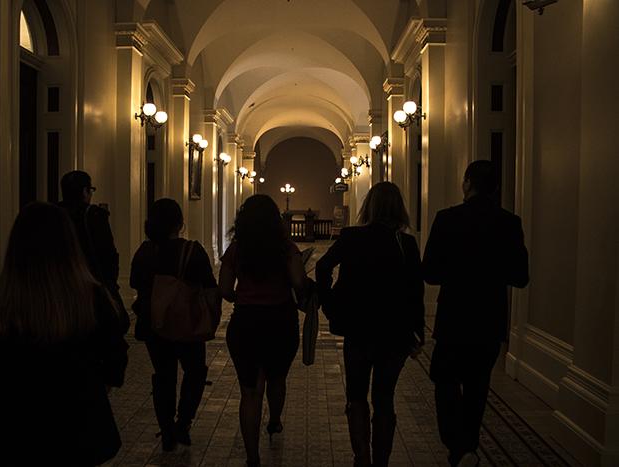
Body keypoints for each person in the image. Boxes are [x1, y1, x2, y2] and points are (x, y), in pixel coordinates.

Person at [0, 202, 129, 466]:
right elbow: (115, 360)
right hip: (79, 425)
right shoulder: (92, 296)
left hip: (14, 427)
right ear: (70, 244)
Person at [422, 160, 529, 467]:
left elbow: (430, 273)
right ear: (496, 187)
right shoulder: (510, 223)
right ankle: (467, 445)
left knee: (444, 379)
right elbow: (520, 276)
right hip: (490, 318)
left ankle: (459, 448)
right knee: (477, 385)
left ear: (467, 183)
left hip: (454, 317)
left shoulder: (447, 219)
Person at [316, 182, 425, 467]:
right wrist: (419, 331)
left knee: (356, 395)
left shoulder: (351, 237)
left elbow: (323, 266)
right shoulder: (407, 244)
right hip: (396, 332)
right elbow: (416, 291)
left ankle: (361, 456)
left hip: (358, 329)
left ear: (370, 206)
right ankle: (381, 462)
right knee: (384, 398)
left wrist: (328, 303)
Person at [219, 194, 307, 467]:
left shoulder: (236, 249)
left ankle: (252, 456)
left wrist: (240, 297)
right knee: (277, 378)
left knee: (250, 391)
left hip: (245, 323)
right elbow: (299, 285)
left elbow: (224, 289)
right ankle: (275, 421)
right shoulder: (287, 248)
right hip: (280, 322)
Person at [130, 198, 217, 451]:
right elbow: (209, 286)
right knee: (195, 372)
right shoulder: (192, 250)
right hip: (188, 323)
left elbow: (135, 282)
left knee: (163, 375)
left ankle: (167, 428)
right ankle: (184, 421)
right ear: (179, 223)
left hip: (154, 324)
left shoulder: (145, 252)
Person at [58, 171, 127, 328]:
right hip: (92, 282)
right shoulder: (94, 215)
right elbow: (108, 253)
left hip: (60, 282)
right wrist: (110, 282)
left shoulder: (53, 214)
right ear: (85, 191)